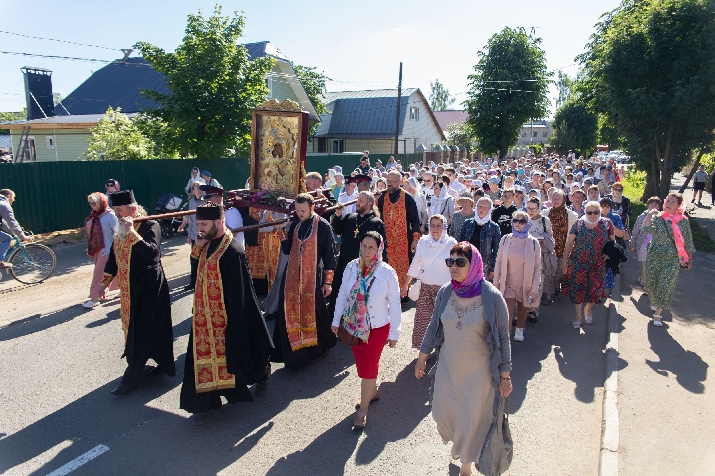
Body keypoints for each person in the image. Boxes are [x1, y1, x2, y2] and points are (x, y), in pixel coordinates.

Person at [416, 242, 512, 476]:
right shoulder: (446, 291)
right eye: (450, 262)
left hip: (478, 376)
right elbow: (433, 325)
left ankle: (466, 466)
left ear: (474, 264)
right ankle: (461, 449)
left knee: (471, 421)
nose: (454, 267)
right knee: (441, 412)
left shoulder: (491, 296)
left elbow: (503, 338)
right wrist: (422, 356)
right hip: (449, 369)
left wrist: (505, 376)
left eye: (461, 262)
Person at [180, 203, 274, 425]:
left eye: (203, 224)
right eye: (199, 224)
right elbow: (196, 278)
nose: (199, 229)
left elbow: (240, 294)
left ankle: (263, 373)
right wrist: (198, 247)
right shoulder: (206, 244)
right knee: (202, 363)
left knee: (243, 358)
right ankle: (209, 404)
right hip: (204, 319)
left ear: (219, 222)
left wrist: (234, 325)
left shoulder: (233, 251)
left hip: (227, 319)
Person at [99, 190, 175, 395]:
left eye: (120, 211)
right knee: (134, 328)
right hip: (129, 289)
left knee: (145, 328)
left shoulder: (150, 225)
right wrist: (103, 283)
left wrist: (132, 231)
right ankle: (140, 366)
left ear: (133, 209)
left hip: (149, 288)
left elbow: (151, 254)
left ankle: (132, 377)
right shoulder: (119, 228)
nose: (118, 216)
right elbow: (114, 258)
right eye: (115, 212)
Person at [332, 231, 401, 429]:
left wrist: (394, 332)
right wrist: (336, 320)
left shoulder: (387, 272)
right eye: (364, 246)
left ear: (379, 249)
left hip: (378, 327)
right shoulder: (351, 267)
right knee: (362, 365)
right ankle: (372, 391)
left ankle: (363, 411)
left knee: (370, 365)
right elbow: (342, 294)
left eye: (372, 247)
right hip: (355, 326)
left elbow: (395, 304)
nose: (367, 251)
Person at [270, 193, 337, 369]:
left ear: (312, 208)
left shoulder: (323, 226)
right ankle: (294, 356)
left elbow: (330, 256)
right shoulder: (295, 225)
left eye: (303, 211)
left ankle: (319, 348)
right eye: (297, 210)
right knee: (288, 314)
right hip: (291, 279)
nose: (299, 214)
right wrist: (282, 231)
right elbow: (286, 250)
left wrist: (327, 282)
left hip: (312, 278)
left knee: (315, 315)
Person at [401, 214, 457, 348]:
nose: (435, 228)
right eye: (432, 225)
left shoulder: (452, 244)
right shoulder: (423, 241)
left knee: (442, 322)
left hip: (444, 291)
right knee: (423, 321)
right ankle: (424, 350)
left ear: (444, 227)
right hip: (426, 289)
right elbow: (415, 264)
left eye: (439, 225)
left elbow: (456, 268)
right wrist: (405, 285)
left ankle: (442, 350)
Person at [641, 193, 695, 326]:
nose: (668, 203)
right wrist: (649, 215)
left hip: (672, 258)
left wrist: (689, 261)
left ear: (678, 205)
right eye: (667, 201)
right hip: (654, 255)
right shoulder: (658, 217)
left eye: (672, 202)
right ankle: (654, 301)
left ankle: (658, 313)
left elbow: (688, 242)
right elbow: (645, 229)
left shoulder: (683, 221)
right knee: (652, 284)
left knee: (665, 284)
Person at [561, 201, 616, 328]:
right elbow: (569, 243)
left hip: (598, 263)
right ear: (585, 213)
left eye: (596, 212)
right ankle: (578, 316)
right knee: (577, 289)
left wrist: (609, 254)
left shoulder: (606, 224)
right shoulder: (578, 224)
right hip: (578, 262)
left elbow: (613, 242)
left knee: (596, 290)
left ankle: (588, 309)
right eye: (589, 212)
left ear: (599, 212)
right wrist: (565, 261)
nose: (593, 215)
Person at [331, 191, 386, 315]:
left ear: (369, 203)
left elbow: (382, 249)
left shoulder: (376, 223)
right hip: (345, 265)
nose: (357, 203)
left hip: (364, 269)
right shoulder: (350, 217)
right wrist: (338, 215)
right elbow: (336, 230)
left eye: (361, 201)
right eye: (357, 200)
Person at [493, 211, 542, 342]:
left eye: (522, 221)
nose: (518, 224)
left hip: (525, 283)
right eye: (515, 220)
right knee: (507, 313)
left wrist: (535, 288)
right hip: (508, 283)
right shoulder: (505, 239)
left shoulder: (533, 242)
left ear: (527, 224)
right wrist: (496, 282)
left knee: (522, 308)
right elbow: (498, 261)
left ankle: (520, 328)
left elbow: (537, 267)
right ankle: (506, 339)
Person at [377, 171, 421, 293]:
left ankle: (403, 292)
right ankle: (389, 293)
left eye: (392, 182)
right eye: (388, 181)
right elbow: (377, 218)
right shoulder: (381, 198)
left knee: (404, 267)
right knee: (387, 267)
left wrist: (415, 240)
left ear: (400, 182)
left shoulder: (408, 198)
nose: (389, 184)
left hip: (404, 241)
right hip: (387, 241)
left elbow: (415, 220)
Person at [82, 192, 118, 308]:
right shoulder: (95, 215)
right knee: (112, 271)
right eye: (90, 203)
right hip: (98, 249)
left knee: (99, 274)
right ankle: (122, 290)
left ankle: (94, 298)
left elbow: (118, 232)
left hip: (107, 250)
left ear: (101, 203)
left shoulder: (110, 215)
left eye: (94, 203)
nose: (92, 206)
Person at [543, 190, 577, 304]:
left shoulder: (571, 216)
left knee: (559, 271)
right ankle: (548, 296)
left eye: (558, 199)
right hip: (549, 248)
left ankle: (557, 286)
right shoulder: (545, 214)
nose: (556, 201)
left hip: (563, 247)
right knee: (548, 272)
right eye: (554, 198)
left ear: (563, 200)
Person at [525, 197, 554, 322]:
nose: (531, 211)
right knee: (522, 283)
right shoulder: (523, 219)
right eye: (529, 208)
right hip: (524, 256)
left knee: (537, 284)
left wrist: (542, 239)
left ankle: (533, 311)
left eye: (534, 209)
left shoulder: (544, 220)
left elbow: (551, 237)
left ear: (539, 208)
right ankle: (521, 311)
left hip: (539, 256)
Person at [458, 197, 500, 280]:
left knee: (480, 290)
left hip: (484, 266)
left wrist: (493, 269)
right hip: (467, 263)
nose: (482, 209)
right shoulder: (467, 224)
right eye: (480, 206)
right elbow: (460, 245)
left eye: (485, 207)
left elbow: (496, 250)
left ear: (490, 210)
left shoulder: (494, 227)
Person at [630, 196, 662, 289]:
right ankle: (645, 282)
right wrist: (632, 242)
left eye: (656, 205)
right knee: (645, 264)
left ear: (659, 207)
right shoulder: (642, 217)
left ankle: (644, 279)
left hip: (656, 246)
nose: (653, 206)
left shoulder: (661, 218)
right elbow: (636, 231)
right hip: (644, 245)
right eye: (651, 204)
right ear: (648, 205)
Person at [177, 182, 205, 290]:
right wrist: (186, 231)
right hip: (194, 236)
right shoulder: (192, 203)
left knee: (204, 259)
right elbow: (190, 219)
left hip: (204, 236)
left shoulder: (206, 201)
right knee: (194, 259)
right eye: (197, 187)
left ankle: (203, 282)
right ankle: (193, 282)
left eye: (201, 187)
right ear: (193, 190)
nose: (200, 189)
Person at [0, 189, 33, 269]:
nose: (13, 200)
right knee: (7, 239)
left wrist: (13, 232)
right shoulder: (4, 205)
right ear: (8, 197)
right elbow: (12, 223)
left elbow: (3, 223)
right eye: (13, 197)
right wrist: (23, 237)